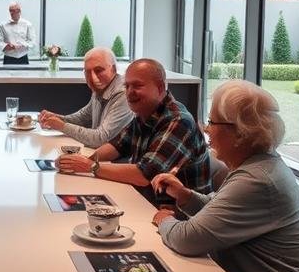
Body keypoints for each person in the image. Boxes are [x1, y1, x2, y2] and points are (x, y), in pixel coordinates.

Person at [150, 80, 299, 272]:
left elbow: (188, 238)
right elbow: (221, 209)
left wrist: (165, 220)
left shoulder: (257, 179)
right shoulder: (259, 165)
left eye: (212, 122)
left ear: (239, 132)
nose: (206, 130)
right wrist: (185, 195)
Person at [57, 58, 210, 200]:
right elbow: (117, 146)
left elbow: (144, 175)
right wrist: (81, 162)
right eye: (127, 86)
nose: (129, 93)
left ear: (160, 87)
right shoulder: (145, 112)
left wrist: (90, 166)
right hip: (146, 200)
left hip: (177, 213)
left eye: (137, 86)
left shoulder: (178, 120)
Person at [38, 47, 132, 147]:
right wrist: (56, 118)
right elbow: (83, 118)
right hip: (99, 154)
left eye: (98, 70)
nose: (92, 78)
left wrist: (62, 126)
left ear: (113, 69)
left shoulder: (123, 94)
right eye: (87, 72)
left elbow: (101, 139)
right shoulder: (100, 88)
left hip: (114, 161)